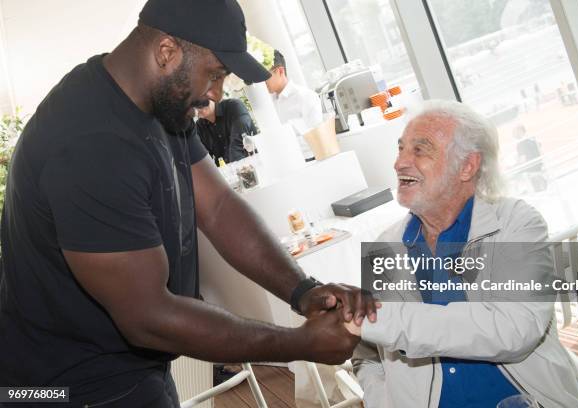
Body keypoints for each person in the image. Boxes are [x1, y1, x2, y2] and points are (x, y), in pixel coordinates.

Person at [0, 1, 378, 406]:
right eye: (214, 74)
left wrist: (302, 291)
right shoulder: (88, 143)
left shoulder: (161, 102)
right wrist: (297, 344)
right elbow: (148, 318)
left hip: (132, 366)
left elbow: (218, 207)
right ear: (166, 52)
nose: (215, 93)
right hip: (62, 387)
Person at [346, 100, 578, 407]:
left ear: (467, 166)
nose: (400, 163)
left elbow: (513, 328)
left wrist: (379, 320)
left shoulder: (516, 223)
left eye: (420, 150)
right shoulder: (383, 248)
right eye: (400, 149)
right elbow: (367, 355)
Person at [265, 49, 323, 160]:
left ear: (280, 71)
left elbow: (318, 137)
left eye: (265, 77)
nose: (263, 82)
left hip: (310, 160)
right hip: (285, 162)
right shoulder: (268, 103)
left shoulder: (305, 96)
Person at [195, 98, 257, 166]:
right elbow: (204, 159)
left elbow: (237, 146)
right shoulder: (200, 127)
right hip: (228, 171)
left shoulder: (234, 106)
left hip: (254, 164)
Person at [514, 124, 547, 192]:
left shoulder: (520, 144)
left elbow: (523, 160)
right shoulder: (533, 140)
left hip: (531, 167)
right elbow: (541, 151)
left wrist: (515, 165)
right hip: (539, 165)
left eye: (515, 132)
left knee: (514, 173)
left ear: (521, 132)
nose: (514, 135)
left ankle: (522, 190)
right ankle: (538, 184)